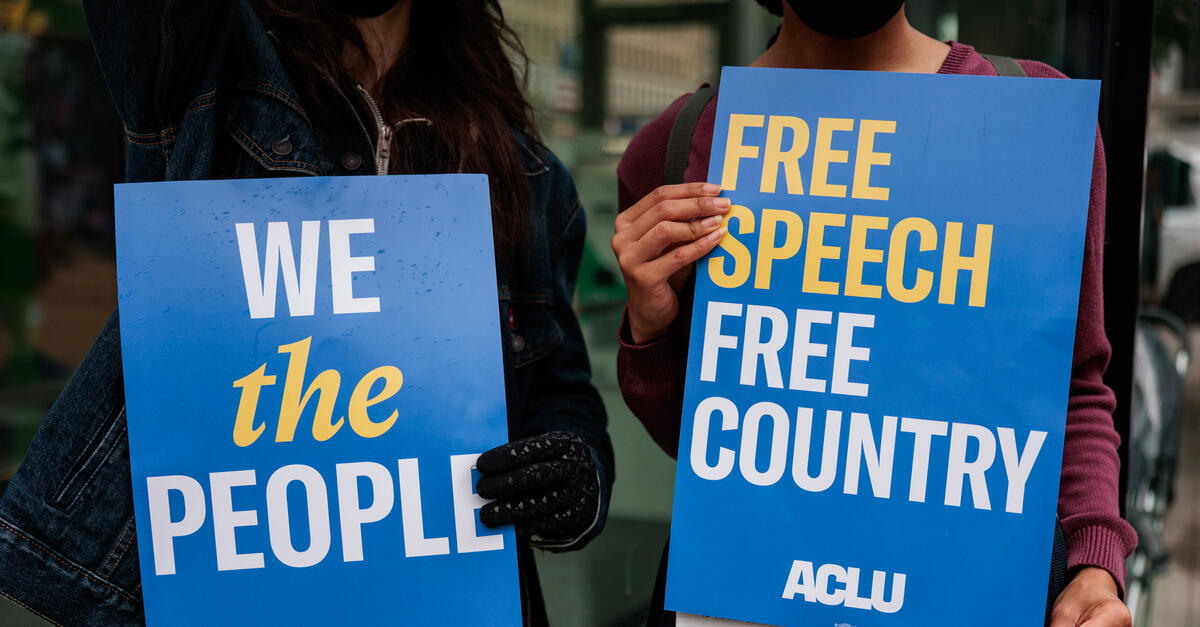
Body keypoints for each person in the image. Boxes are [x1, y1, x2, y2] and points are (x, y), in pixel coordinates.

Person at [0, 2, 612, 625]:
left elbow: (561, 392)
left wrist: (575, 477)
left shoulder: (527, 174)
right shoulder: (208, 79)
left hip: (455, 600)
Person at [612, 2, 1136, 626]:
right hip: (748, 595)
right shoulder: (673, 149)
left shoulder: (1033, 118)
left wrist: (1096, 568)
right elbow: (706, 447)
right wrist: (651, 327)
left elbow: (1073, 390)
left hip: (965, 593)